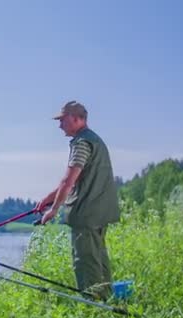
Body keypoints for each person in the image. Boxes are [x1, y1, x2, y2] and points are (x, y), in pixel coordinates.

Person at [34, 100, 120, 301]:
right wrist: (49, 198)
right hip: (101, 212)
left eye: (62, 120)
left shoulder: (82, 143)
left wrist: (53, 209)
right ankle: (107, 301)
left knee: (85, 262)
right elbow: (75, 179)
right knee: (99, 258)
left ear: (76, 119)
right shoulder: (94, 141)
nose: (59, 125)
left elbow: (68, 179)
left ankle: (94, 306)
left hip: (87, 214)